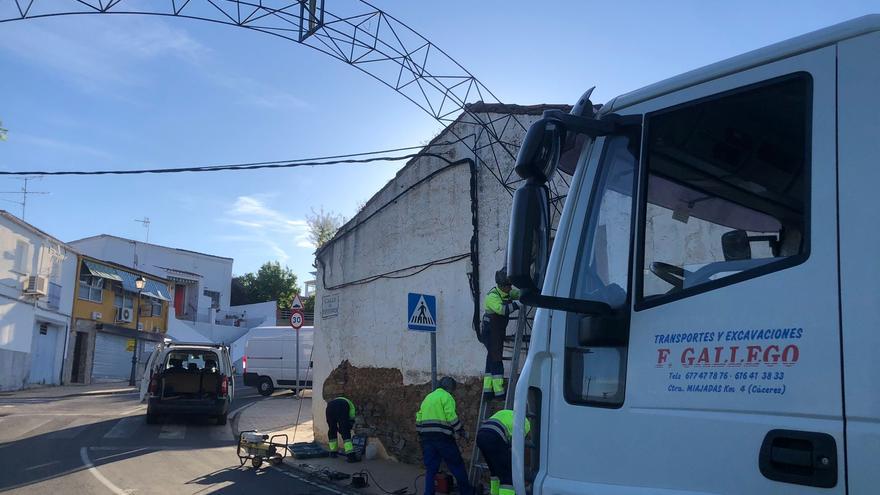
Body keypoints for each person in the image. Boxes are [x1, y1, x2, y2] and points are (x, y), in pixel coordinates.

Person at [416, 376, 473, 495]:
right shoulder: (447, 397)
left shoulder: (428, 397)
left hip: (427, 439)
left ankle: (428, 493)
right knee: (456, 465)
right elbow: (451, 417)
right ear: (450, 388)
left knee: (431, 469)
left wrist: (421, 434)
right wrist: (461, 431)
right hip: (443, 439)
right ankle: (466, 492)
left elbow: (419, 417)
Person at [481, 268, 520, 398]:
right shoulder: (492, 296)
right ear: (501, 286)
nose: (510, 288)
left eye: (510, 285)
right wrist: (517, 305)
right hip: (490, 331)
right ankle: (499, 392)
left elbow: (516, 294)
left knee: (491, 358)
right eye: (508, 286)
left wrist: (524, 294)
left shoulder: (506, 292)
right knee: (496, 359)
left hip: (497, 331)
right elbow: (502, 310)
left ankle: (487, 390)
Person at [476, 409, 531, 495]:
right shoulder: (526, 424)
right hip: (494, 437)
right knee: (508, 475)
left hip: (481, 436)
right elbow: (516, 445)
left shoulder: (507, 413)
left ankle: (494, 493)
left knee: (494, 470)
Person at [325, 395, 360, 462]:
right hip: (342, 406)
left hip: (329, 407)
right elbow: (351, 418)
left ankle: (333, 452)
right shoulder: (350, 405)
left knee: (332, 429)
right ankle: (350, 456)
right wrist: (346, 428)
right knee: (345, 432)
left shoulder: (333, 401)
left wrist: (339, 428)